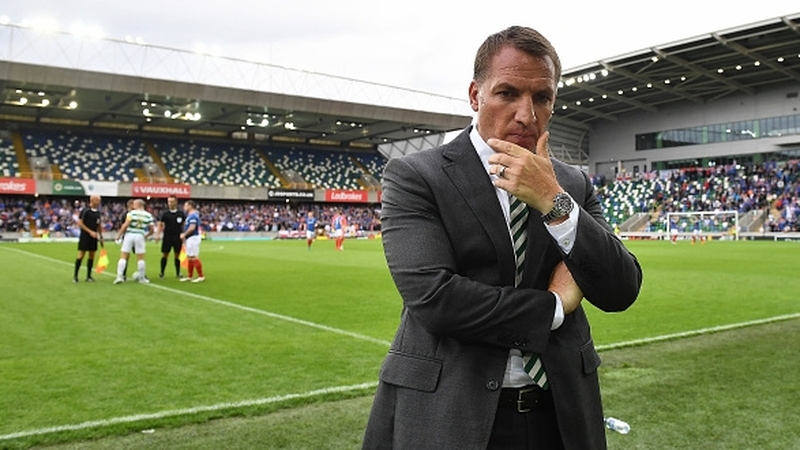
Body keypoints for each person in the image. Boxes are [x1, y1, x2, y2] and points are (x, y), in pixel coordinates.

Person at [362, 26, 642, 450]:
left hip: (561, 414)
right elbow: (437, 300)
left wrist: (552, 200)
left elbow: (621, 288)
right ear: (475, 95)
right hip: (453, 413)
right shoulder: (418, 175)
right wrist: (553, 306)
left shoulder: (572, 184)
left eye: (542, 97)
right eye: (507, 93)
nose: (527, 114)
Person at [113, 199, 155, 284]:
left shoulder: (131, 213)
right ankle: (142, 278)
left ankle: (119, 276)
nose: (133, 206)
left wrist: (119, 235)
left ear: (138, 205)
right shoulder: (148, 215)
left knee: (123, 256)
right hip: (140, 235)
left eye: (134, 204)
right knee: (140, 258)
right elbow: (152, 230)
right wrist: (146, 236)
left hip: (129, 235)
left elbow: (125, 225)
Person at [73, 194, 102, 283]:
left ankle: (89, 276)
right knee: (81, 254)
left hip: (94, 237)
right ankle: (75, 276)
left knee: (92, 255)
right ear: (92, 200)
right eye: (98, 200)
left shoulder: (98, 213)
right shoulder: (85, 211)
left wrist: (101, 236)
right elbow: (80, 223)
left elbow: (98, 225)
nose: (99, 202)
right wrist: (90, 232)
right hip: (85, 236)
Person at [158, 195, 186, 278]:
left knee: (177, 255)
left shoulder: (181, 213)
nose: (170, 203)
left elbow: (184, 225)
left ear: (176, 202)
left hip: (177, 237)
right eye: (169, 201)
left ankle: (178, 273)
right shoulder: (165, 213)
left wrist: (184, 234)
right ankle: (162, 273)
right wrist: (158, 234)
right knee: (165, 254)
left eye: (172, 201)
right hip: (167, 237)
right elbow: (161, 224)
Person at [179, 200, 204, 283]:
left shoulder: (193, 216)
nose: (184, 207)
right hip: (190, 238)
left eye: (185, 205)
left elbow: (192, 227)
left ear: (190, 206)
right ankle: (190, 276)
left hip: (193, 238)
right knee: (189, 257)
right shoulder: (190, 215)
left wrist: (184, 234)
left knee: (193, 256)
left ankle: (201, 276)